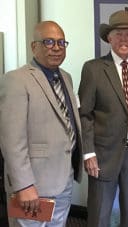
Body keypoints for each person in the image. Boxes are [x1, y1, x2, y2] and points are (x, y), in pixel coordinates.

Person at [0, 21, 82, 227]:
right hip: (33, 185)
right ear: (33, 46)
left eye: (61, 42)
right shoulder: (16, 80)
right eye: (48, 42)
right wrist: (23, 185)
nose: (56, 47)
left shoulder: (66, 77)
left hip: (63, 179)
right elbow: (11, 140)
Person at [78, 10, 128, 227]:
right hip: (103, 154)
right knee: (100, 215)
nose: (124, 39)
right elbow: (85, 113)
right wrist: (89, 152)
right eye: (118, 34)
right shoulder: (93, 69)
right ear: (109, 38)